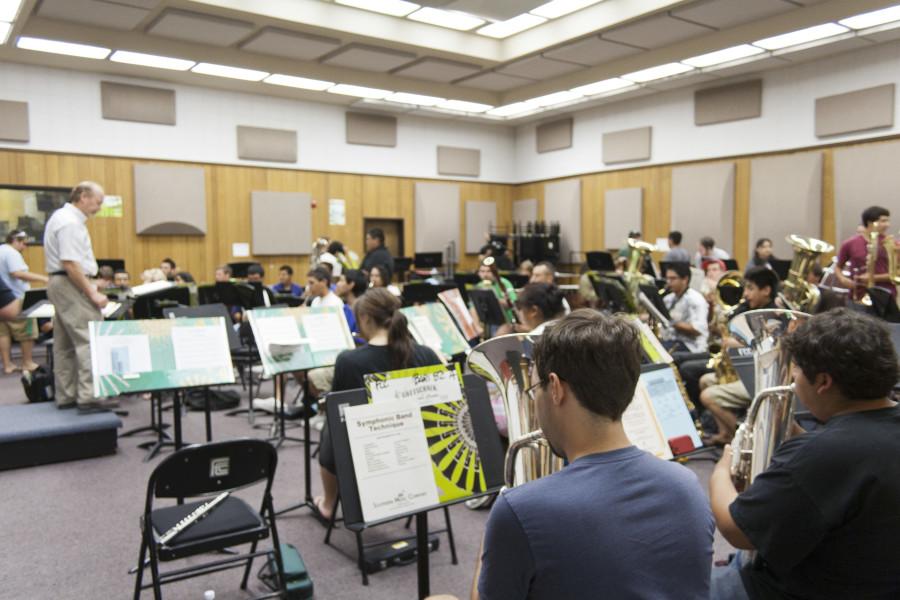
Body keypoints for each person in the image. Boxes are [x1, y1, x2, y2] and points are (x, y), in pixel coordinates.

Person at [475, 310, 714, 600]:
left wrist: (492, 543)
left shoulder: (518, 511)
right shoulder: (687, 485)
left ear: (556, 388)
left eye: (535, 387)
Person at [709, 308, 900, 599]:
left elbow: (737, 531)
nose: (793, 377)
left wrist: (721, 472)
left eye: (796, 368)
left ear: (823, 382)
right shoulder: (853, 439)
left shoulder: (821, 454)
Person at [314, 288, 442, 520]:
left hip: (373, 452)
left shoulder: (349, 361)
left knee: (330, 429)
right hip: (423, 449)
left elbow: (339, 416)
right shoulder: (427, 355)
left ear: (364, 318)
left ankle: (328, 504)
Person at [44, 181, 109, 412]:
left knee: (65, 344)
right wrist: (92, 291)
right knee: (89, 339)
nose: (99, 207)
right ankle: (88, 397)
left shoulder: (60, 217)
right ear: (83, 196)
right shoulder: (70, 222)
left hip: (60, 282)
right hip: (71, 283)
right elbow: (71, 263)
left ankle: (68, 395)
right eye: (97, 202)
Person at [700, 266, 780, 444]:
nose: (745, 294)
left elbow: (769, 349)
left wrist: (740, 343)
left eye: (750, 288)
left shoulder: (774, 316)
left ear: (766, 290)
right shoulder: (750, 310)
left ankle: (742, 438)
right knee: (705, 380)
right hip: (747, 373)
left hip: (762, 380)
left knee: (708, 396)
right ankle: (725, 434)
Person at [0, 230, 48, 373]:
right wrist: (44, 279)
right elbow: (17, 273)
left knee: (3, 333)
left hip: (2, 302)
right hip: (16, 299)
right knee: (27, 332)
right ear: (16, 240)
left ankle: (7, 365)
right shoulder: (12, 253)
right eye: (24, 243)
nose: (25, 247)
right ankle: (27, 362)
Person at [835, 205, 895, 299]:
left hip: (885, 295)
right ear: (870, 223)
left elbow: (896, 273)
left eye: (888, 221)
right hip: (858, 294)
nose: (888, 225)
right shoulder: (850, 243)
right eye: (883, 221)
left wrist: (872, 278)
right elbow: (838, 267)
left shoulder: (891, 244)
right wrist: (843, 280)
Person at [661, 262, 709, 354]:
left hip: (692, 346)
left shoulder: (695, 299)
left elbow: (698, 330)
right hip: (673, 341)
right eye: (667, 278)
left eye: (673, 278)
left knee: (661, 354)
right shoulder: (668, 298)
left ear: (685, 279)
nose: (668, 282)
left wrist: (670, 321)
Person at [476, 256, 517, 323]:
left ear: (495, 272)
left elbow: (514, 303)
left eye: (489, 271)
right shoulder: (479, 285)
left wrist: (494, 299)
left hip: (506, 320)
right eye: (482, 271)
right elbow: (473, 307)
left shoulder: (504, 283)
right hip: (486, 320)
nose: (485, 275)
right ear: (478, 273)